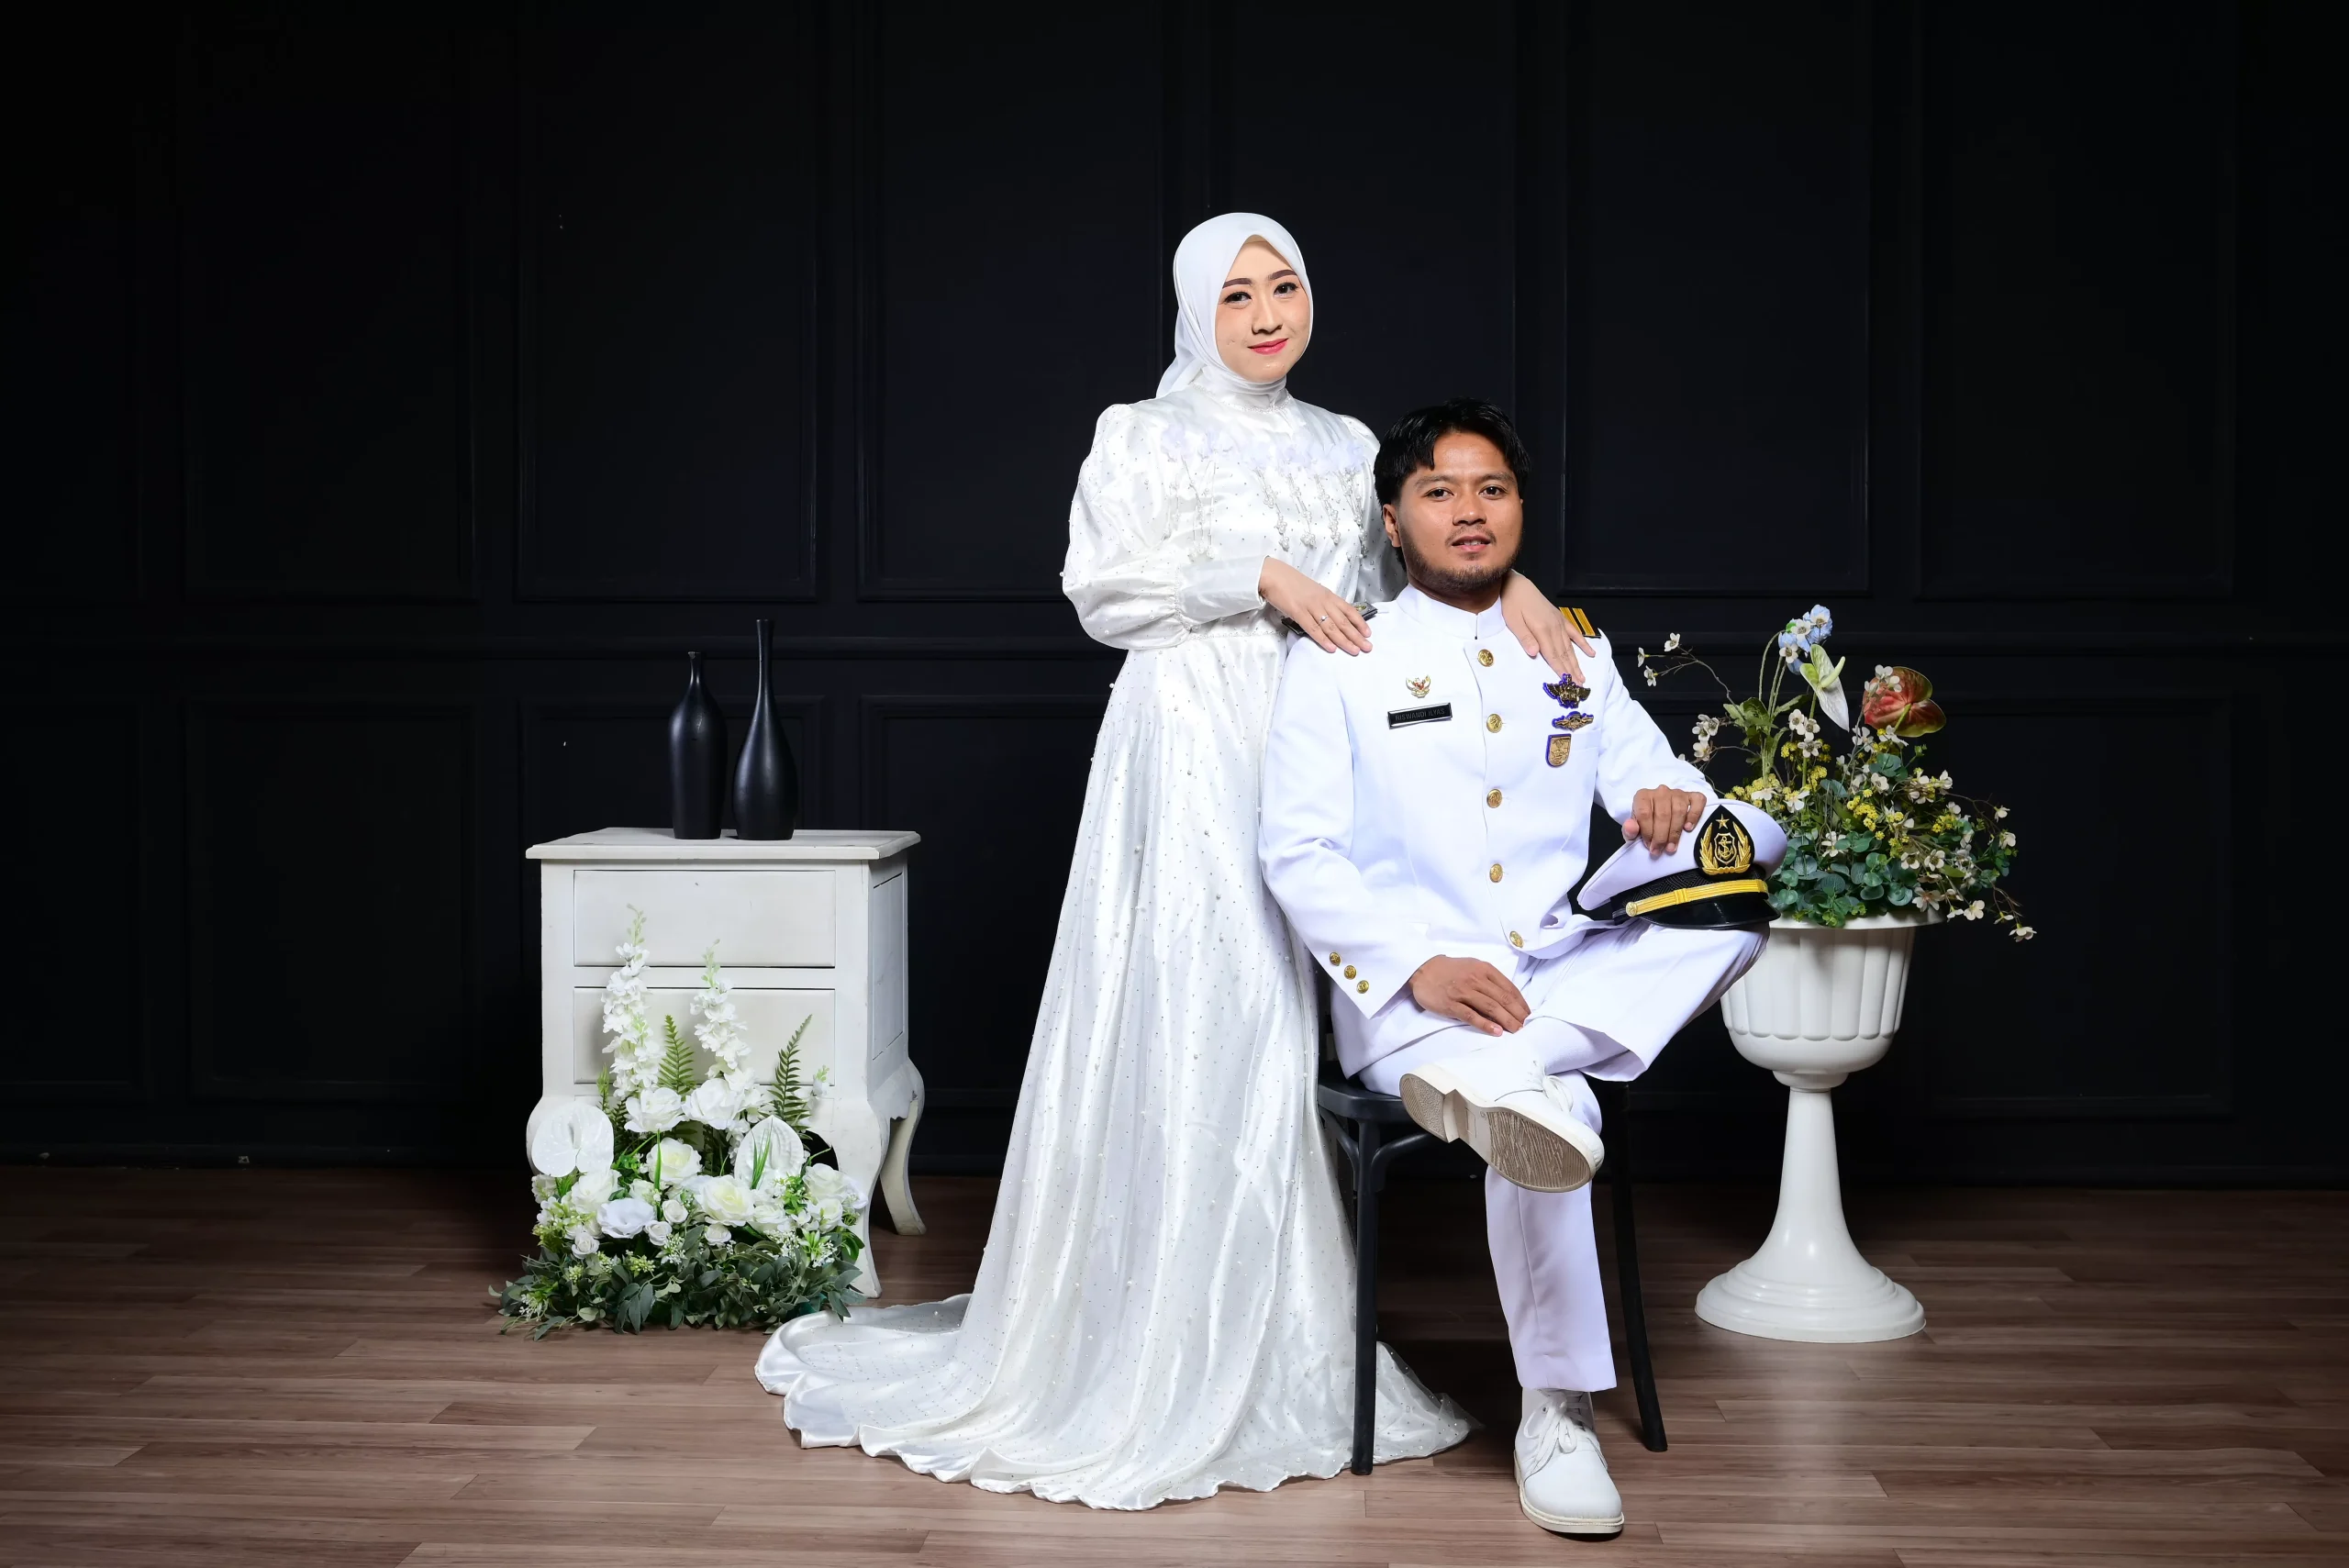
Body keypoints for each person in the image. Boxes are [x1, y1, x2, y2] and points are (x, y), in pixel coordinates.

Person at [755, 217, 1587, 1508]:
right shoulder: (1139, 433)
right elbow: (1101, 590)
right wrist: (1255, 575)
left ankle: (1284, 1322)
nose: (1265, 313)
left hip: (1323, 740)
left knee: (1299, 1018)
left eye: (1285, 286)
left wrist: (1516, 584)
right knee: (1207, 1010)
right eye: (1237, 293)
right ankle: (1159, 1338)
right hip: (1192, 742)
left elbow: (1412, 577)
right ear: (1198, 309)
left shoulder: (1347, 444)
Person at [1259, 398, 1778, 1538]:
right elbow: (1296, 851)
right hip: (1416, 1001)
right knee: (1557, 1115)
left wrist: (1673, 806)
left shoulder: (1573, 649)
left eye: (1490, 488)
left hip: (1555, 972)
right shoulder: (1340, 656)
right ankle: (1556, 1413)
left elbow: (1671, 796)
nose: (1469, 510)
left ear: (1520, 508)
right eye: (1439, 491)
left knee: (1737, 902)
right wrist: (1417, 968)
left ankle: (1512, 1072)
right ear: (1392, 520)